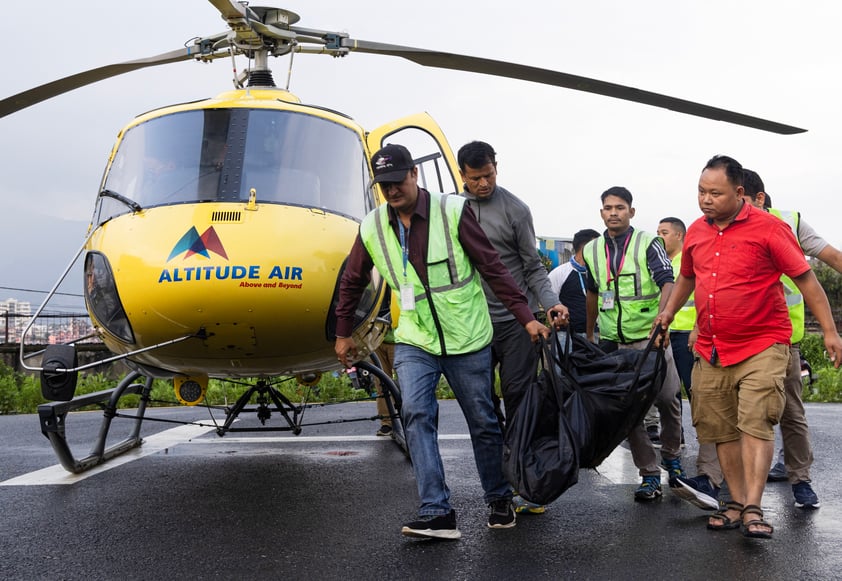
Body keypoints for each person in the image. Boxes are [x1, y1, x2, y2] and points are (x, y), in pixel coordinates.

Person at [334, 144, 550, 540]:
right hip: (416, 339)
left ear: (414, 174)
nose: (392, 191)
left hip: (466, 336)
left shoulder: (452, 212)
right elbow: (352, 280)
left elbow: (493, 267)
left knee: (483, 420)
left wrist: (526, 318)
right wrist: (343, 332)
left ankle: (499, 497)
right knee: (416, 413)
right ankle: (436, 510)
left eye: (398, 181)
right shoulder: (372, 227)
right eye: (384, 185)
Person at [654, 155, 842, 539]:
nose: (705, 199)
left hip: (763, 343)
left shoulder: (770, 229)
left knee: (756, 422)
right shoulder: (696, 232)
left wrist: (830, 332)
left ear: (739, 193)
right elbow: (687, 278)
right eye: (701, 192)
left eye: (715, 193)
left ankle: (754, 506)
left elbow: (808, 282)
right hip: (712, 346)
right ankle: (736, 503)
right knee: (719, 428)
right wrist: (667, 315)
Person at [456, 140, 568, 515]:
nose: (483, 184)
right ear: (463, 177)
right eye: (475, 178)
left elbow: (533, 265)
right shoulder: (452, 212)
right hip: (471, 326)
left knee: (521, 402)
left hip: (518, 325)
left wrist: (550, 303)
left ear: (496, 168)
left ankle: (525, 482)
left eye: (488, 175)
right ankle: (501, 483)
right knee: (484, 408)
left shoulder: (515, 210)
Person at [743, 168, 842, 507]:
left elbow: (831, 257)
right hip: (736, 336)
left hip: (783, 337)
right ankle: (722, 484)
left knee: (791, 412)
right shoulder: (718, 226)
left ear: (757, 197)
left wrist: (830, 330)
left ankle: (800, 478)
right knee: (727, 411)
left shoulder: (789, 222)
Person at [582, 186, 685, 501]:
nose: (614, 212)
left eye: (620, 207)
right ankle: (650, 474)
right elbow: (592, 293)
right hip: (616, 344)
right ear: (601, 212)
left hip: (652, 338)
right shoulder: (592, 250)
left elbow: (667, 281)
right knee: (630, 413)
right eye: (608, 207)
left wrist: (662, 319)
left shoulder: (647, 243)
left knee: (668, 399)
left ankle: (672, 455)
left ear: (631, 211)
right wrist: (590, 334)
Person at [548, 228, 601, 338]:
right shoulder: (559, 273)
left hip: (595, 333)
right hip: (565, 335)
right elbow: (549, 304)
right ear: (587, 248)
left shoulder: (601, 274)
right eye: (598, 246)